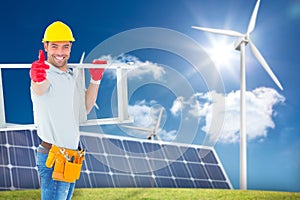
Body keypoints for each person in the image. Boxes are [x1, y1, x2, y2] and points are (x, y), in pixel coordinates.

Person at [30, 21, 105, 200]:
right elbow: (39, 89)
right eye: (54, 46)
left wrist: (95, 80)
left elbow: (84, 109)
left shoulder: (72, 76)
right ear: (46, 46)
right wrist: (37, 78)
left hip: (71, 157)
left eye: (65, 46)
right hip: (54, 157)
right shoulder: (45, 73)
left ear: (70, 47)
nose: (60, 52)